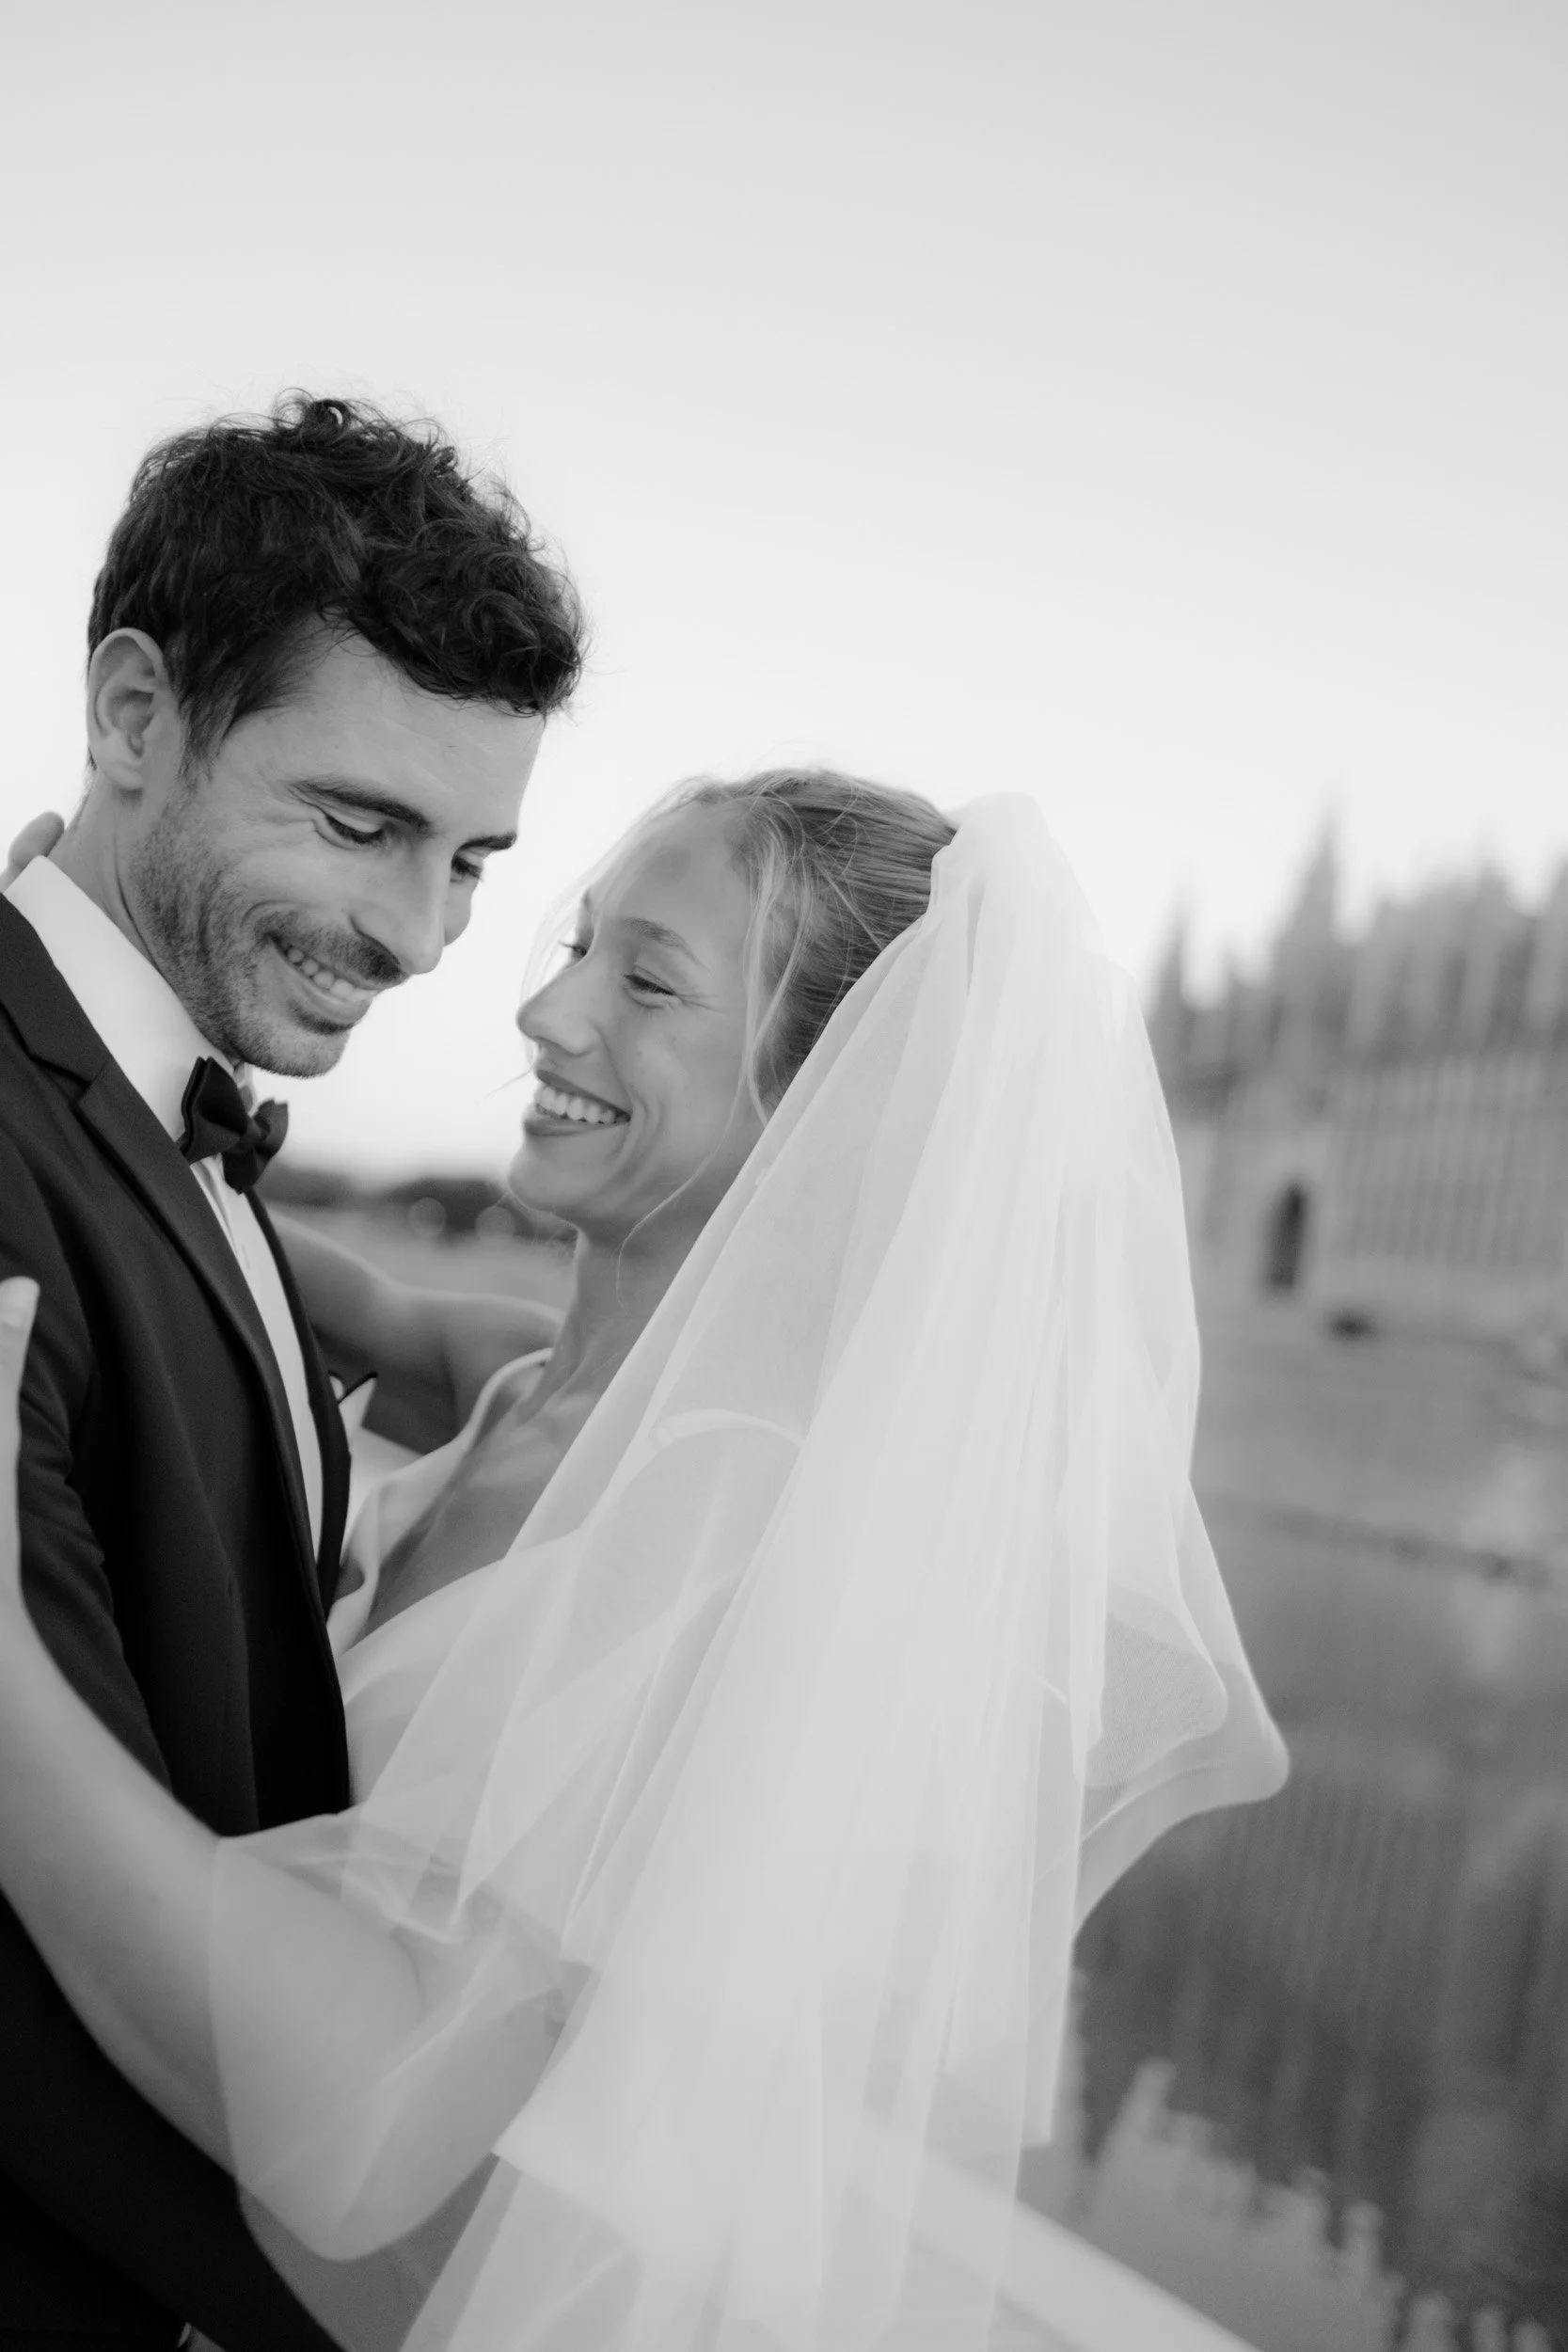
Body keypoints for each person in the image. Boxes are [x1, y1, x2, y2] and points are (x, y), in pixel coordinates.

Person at [0, 769, 1288, 2350]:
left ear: (836, 1108)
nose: (544, 1009)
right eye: (579, 942)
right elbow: (236, 1253)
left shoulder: (728, 1537)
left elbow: (365, 2134)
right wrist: (68, 985)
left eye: (645, 979)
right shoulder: (533, 1388)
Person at [0, 392, 580, 2350]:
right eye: (359, 824)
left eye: (471, 861)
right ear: (136, 713)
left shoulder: (192, 1127)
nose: (419, 933)